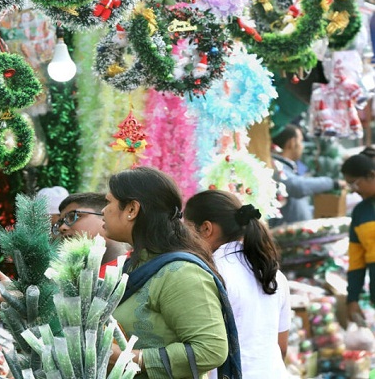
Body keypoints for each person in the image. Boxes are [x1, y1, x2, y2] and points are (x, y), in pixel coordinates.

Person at [102, 167, 240, 379]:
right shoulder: (136, 264)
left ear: (132, 209)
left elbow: (211, 349)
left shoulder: (181, 273)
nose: (103, 210)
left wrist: (132, 358)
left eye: (108, 202)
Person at [184, 190, 290, 378]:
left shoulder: (210, 273)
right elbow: (281, 347)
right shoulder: (273, 273)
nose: (185, 239)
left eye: (187, 229)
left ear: (206, 229)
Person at [270, 124, 346, 225]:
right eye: (301, 141)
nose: (302, 146)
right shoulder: (275, 168)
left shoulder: (286, 167)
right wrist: (332, 183)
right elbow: (297, 186)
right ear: (292, 143)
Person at [54, 192, 130, 278]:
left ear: (105, 216)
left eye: (73, 217)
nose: (62, 227)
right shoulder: (71, 277)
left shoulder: (134, 269)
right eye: (61, 222)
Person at [340, 147, 375, 322]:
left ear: (371, 175)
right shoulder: (360, 212)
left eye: (354, 183)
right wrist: (352, 298)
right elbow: (356, 260)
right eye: (349, 185)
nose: (353, 190)